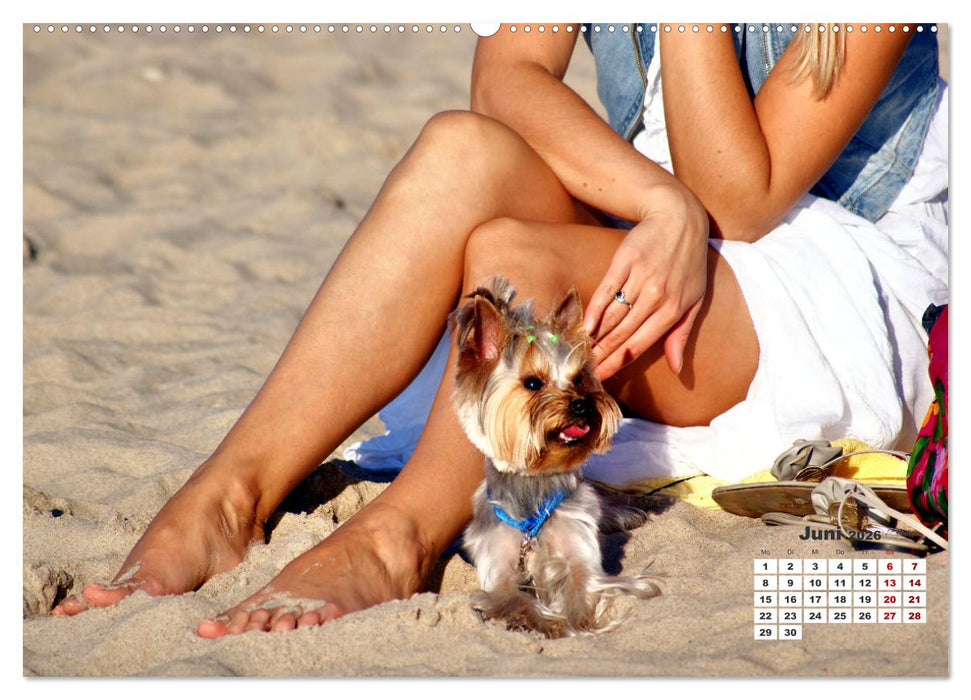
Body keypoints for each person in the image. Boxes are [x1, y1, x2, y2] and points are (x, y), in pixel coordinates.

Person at [53, 23, 947, 636]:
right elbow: (504, 80)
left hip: (836, 275)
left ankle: (400, 536)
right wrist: (658, 202)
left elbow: (738, 201)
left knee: (516, 256)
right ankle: (226, 499)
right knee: (458, 150)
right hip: (670, 210)